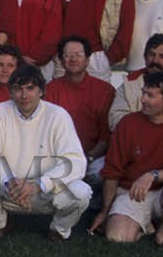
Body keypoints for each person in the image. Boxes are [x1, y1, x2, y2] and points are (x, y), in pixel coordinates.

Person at [0, 67, 91, 241]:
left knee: (81, 192)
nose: (24, 95)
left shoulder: (58, 115)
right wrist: (10, 180)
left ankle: (58, 230)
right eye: (18, 89)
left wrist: (38, 184)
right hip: (10, 188)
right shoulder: (0, 111)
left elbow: (75, 162)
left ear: (41, 91)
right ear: (10, 92)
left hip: (43, 191)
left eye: (30, 88)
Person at [90, 71, 163, 252]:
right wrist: (105, 211)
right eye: (143, 93)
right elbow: (112, 172)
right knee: (116, 238)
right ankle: (145, 226)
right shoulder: (128, 123)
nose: (142, 100)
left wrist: (153, 175)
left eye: (150, 95)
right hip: (131, 192)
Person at [45, 35, 115, 184]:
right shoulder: (50, 90)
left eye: (78, 55)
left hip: (93, 156)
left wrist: (88, 157)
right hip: (58, 156)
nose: (73, 59)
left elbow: (106, 135)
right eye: (68, 55)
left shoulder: (104, 90)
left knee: (101, 173)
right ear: (61, 61)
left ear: (88, 60)